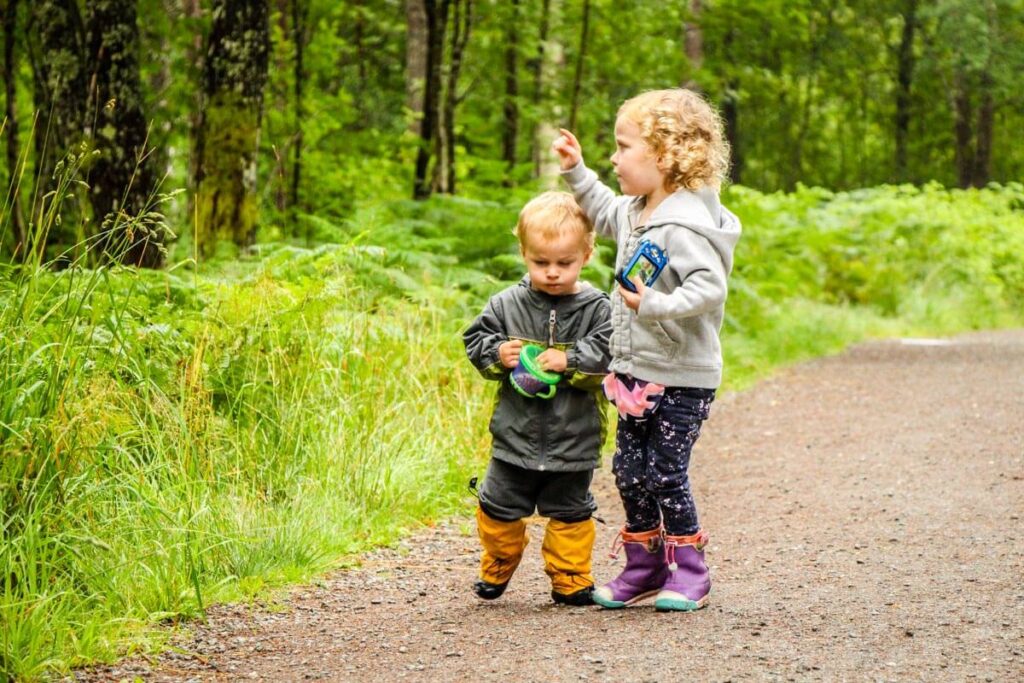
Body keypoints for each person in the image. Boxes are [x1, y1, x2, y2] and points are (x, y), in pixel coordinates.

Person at [552, 88, 741, 611]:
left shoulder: (684, 226)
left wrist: (653, 305)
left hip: (682, 374)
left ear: (664, 155)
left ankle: (690, 571)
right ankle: (645, 565)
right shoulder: (636, 210)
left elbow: (710, 289)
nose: (614, 158)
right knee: (629, 472)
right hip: (636, 371)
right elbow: (599, 208)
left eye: (622, 147)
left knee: (665, 470)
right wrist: (577, 171)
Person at [463, 191, 612, 606]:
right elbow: (475, 339)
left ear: (586, 253)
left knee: (570, 513)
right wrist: (497, 353)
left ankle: (571, 577)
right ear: (524, 253)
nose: (551, 273)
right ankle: (498, 561)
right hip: (515, 435)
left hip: (574, 437)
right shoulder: (507, 304)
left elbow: (609, 353)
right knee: (497, 507)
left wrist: (570, 360)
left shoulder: (598, 310)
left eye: (564, 263)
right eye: (540, 262)